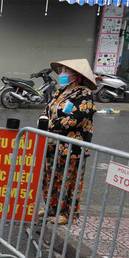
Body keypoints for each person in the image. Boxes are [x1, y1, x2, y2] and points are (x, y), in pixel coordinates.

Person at [39, 59, 97, 226]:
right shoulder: (60, 92)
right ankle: (51, 207)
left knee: (69, 179)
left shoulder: (84, 94)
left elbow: (76, 119)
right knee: (50, 176)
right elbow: (47, 110)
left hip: (72, 146)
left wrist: (50, 124)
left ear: (77, 76)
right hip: (53, 143)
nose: (62, 74)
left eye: (66, 71)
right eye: (62, 70)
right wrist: (43, 120)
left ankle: (68, 213)